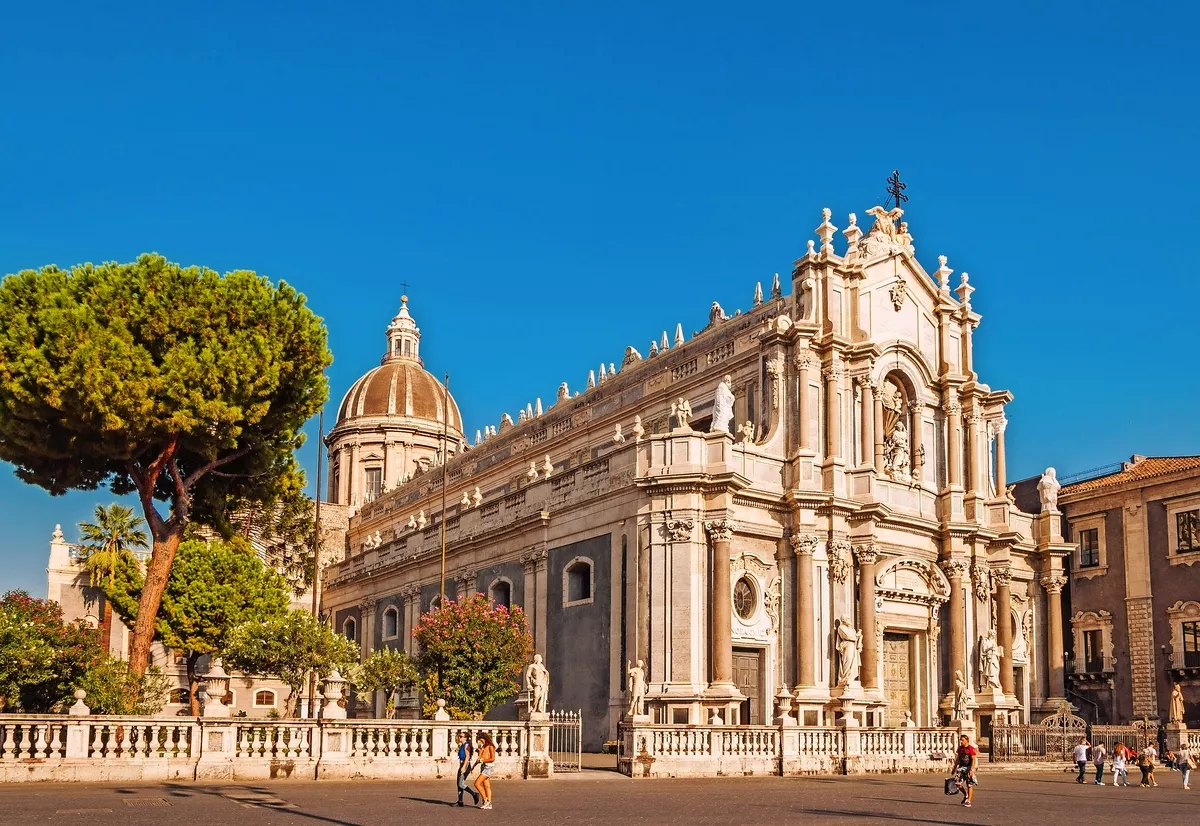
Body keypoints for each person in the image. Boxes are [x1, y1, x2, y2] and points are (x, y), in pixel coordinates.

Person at [454, 732, 479, 807]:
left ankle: (474, 794)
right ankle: (460, 801)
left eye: (461, 736)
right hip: (462, 764)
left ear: (465, 738)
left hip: (466, 765)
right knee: (459, 783)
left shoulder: (466, 745)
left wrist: (464, 767)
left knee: (460, 784)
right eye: (459, 736)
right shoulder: (462, 745)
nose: (459, 738)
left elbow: (467, 757)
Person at [473, 733, 497, 810]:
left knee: (476, 783)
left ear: (485, 738)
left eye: (481, 740)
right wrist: (473, 767)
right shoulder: (483, 747)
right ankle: (489, 803)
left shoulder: (491, 746)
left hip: (488, 767)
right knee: (486, 786)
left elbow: (492, 759)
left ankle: (485, 801)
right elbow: (479, 758)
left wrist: (483, 760)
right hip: (483, 767)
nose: (481, 742)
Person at [954, 733, 978, 808]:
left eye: (962, 740)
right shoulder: (960, 748)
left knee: (969, 785)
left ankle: (969, 800)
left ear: (967, 740)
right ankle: (965, 795)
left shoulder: (971, 748)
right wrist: (954, 767)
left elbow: (973, 759)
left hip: (968, 768)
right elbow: (958, 759)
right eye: (960, 740)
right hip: (961, 768)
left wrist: (972, 769)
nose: (961, 741)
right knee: (957, 783)